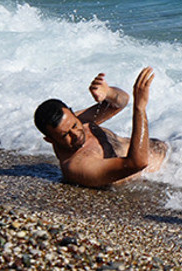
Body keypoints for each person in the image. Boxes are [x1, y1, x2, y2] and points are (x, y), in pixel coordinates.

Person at [34, 67, 167, 188]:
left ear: (73, 114)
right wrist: (140, 107)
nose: (76, 134)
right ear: (50, 140)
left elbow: (121, 102)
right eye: (65, 135)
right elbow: (137, 163)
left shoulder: (75, 120)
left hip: (175, 152)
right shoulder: (78, 166)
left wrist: (108, 93)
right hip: (166, 174)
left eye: (74, 125)